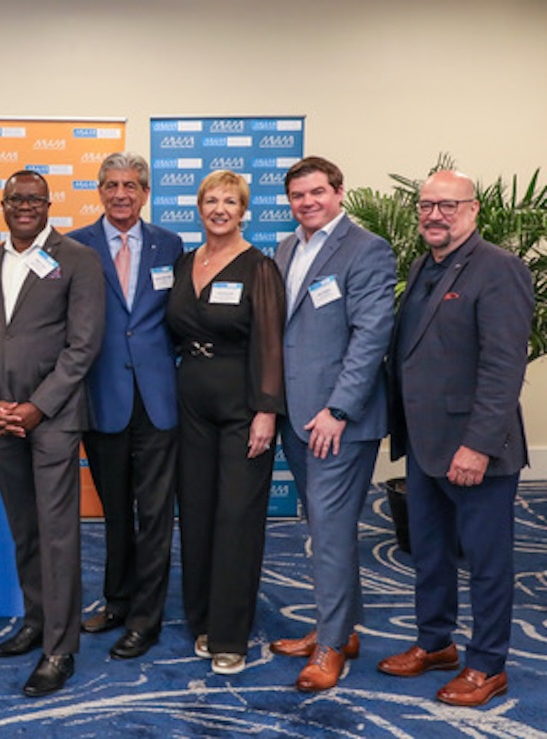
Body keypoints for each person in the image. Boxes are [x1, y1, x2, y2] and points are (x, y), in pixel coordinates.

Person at [378, 170, 533, 708]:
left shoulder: (499, 269)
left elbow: (503, 364)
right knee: (432, 554)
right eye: (426, 205)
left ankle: (488, 664)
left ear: (473, 210)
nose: (433, 215)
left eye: (447, 205)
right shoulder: (426, 264)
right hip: (424, 445)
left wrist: (479, 444)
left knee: (487, 561)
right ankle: (435, 642)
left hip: (474, 449)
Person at [0, 170, 105, 697]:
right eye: (15, 199)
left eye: (34, 198)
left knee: (57, 533)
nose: (24, 206)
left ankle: (60, 647)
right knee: (24, 530)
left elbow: (83, 346)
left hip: (53, 418)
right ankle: (35, 620)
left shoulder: (77, 260)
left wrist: (37, 407)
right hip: (0, 419)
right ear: (1, 205)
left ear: (49, 205)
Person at [268, 157, 396, 692]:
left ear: (339, 193)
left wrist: (339, 409)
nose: (307, 203)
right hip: (297, 418)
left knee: (331, 534)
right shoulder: (286, 248)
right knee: (325, 530)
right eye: (298, 195)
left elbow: (371, 335)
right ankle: (337, 628)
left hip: (337, 421)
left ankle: (330, 647)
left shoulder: (366, 250)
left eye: (317, 193)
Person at [165, 169, 285, 676]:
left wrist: (266, 410)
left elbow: (271, 343)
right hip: (189, 403)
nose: (219, 209)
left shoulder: (258, 266)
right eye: (210, 200)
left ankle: (231, 635)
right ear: (198, 208)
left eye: (229, 201)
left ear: (243, 210)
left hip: (242, 406)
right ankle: (204, 622)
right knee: (196, 513)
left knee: (236, 518)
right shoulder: (184, 262)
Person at [68, 152, 182, 660]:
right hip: (103, 398)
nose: (121, 194)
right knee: (116, 511)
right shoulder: (76, 245)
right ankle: (117, 601)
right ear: (99, 190)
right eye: (112, 184)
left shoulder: (170, 245)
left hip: (158, 400)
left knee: (155, 515)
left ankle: (145, 619)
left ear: (145, 192)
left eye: (131, 185)